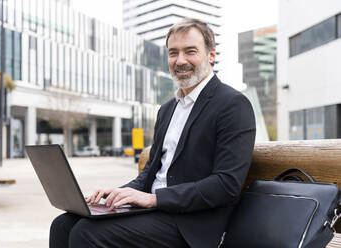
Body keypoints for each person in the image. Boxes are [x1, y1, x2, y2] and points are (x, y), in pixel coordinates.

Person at [50, 18, 256, 248]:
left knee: (87, 233)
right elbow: (152, 172)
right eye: (173, 53)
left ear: (211, 55)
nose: (180, 60)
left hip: (193, 223)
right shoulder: (167, 109)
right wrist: (121, 192)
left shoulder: (233, 105)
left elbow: (226, 184)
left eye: (190, 51)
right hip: (156, 211)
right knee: (63, 224)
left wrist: (155, 199)